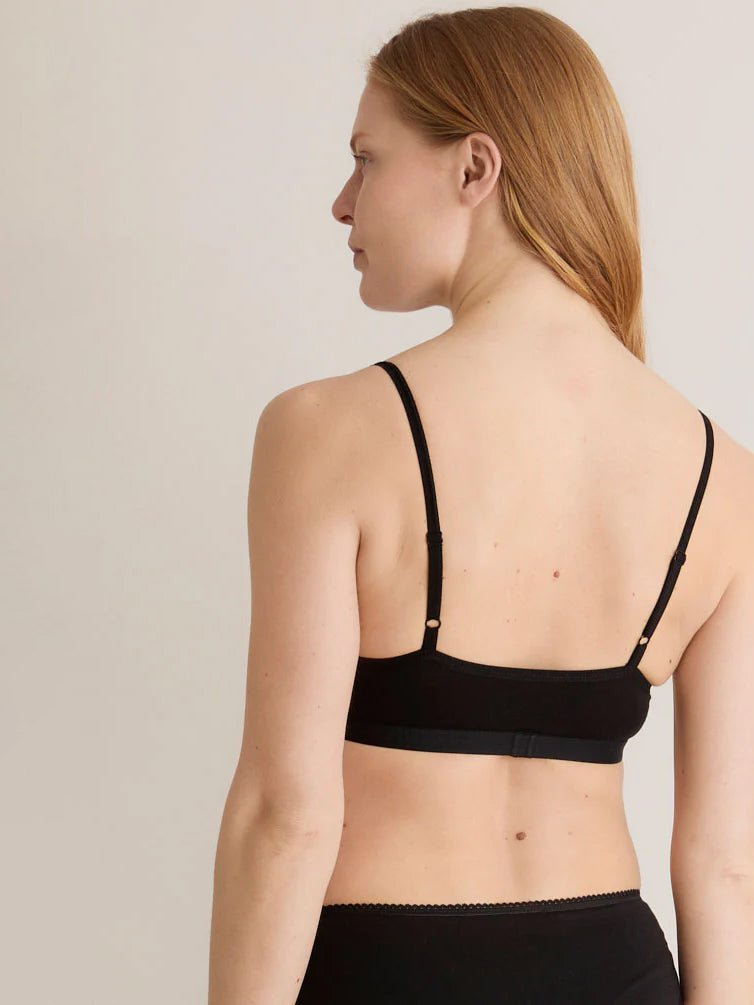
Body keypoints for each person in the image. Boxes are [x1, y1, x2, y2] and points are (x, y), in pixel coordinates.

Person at [208, 8, 754, 1004]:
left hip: (387, 971)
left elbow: (286, 815)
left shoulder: (325, 431)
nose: (342, 202)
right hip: (618, 973)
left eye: (366, 158)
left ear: (474, 168)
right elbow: (724, 861)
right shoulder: (724, 475)